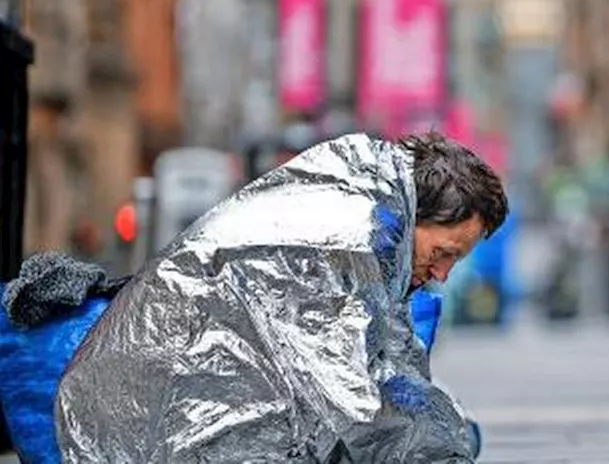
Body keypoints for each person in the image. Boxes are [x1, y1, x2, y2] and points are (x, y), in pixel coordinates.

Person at [55, 131, 508, 463]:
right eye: (444, 252)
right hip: (140, 431)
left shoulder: (371, 215)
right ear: (419, 217)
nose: (444, 275)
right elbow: (355, 405)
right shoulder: (344, 240)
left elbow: (389, 366)